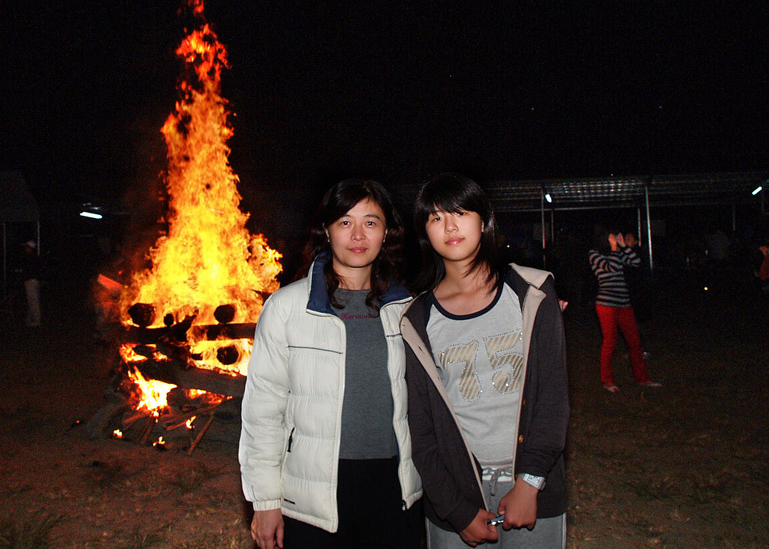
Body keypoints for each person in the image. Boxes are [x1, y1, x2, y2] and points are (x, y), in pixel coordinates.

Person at [239, 179, 423, 549]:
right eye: (344, 222)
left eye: (370, 222)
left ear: (387, 232)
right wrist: (266, 500)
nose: (358, 235)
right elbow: (263, 411)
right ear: (326, 230)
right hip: (314, 490)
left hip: (393, 485)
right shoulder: (287, 308)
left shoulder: (407, 309)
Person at [400, 173, 569, 548]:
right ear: (425, 232)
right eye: (436, 217)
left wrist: (529, 483)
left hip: (533, 486)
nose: (450, 226)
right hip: (458, 493)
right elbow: (421, 429)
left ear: (484, 221)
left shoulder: (532, 293)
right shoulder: (416, 320)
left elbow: (553, 399)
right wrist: (454, 509)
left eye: (460, 212)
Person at [589, 226, 661, 393]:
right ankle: (607, 381)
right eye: (612, 237)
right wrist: (615, 249)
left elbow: (635, 262)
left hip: (623, 303)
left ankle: (642, 378)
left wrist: (624, 246)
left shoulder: (617, 253)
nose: (614, 239)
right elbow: (612, 267)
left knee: (634, 341)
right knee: (610, 342)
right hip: (606, 304)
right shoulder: (594, 254)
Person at [20, 240, 42, 327]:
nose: (25, 248)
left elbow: (28, 271)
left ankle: (36, 320)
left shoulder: (30, 258)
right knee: (31, 301)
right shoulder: (34, 258)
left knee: (33, 301)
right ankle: (29, 319)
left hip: (31, 281)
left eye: (26, 247)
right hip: (33, 281)